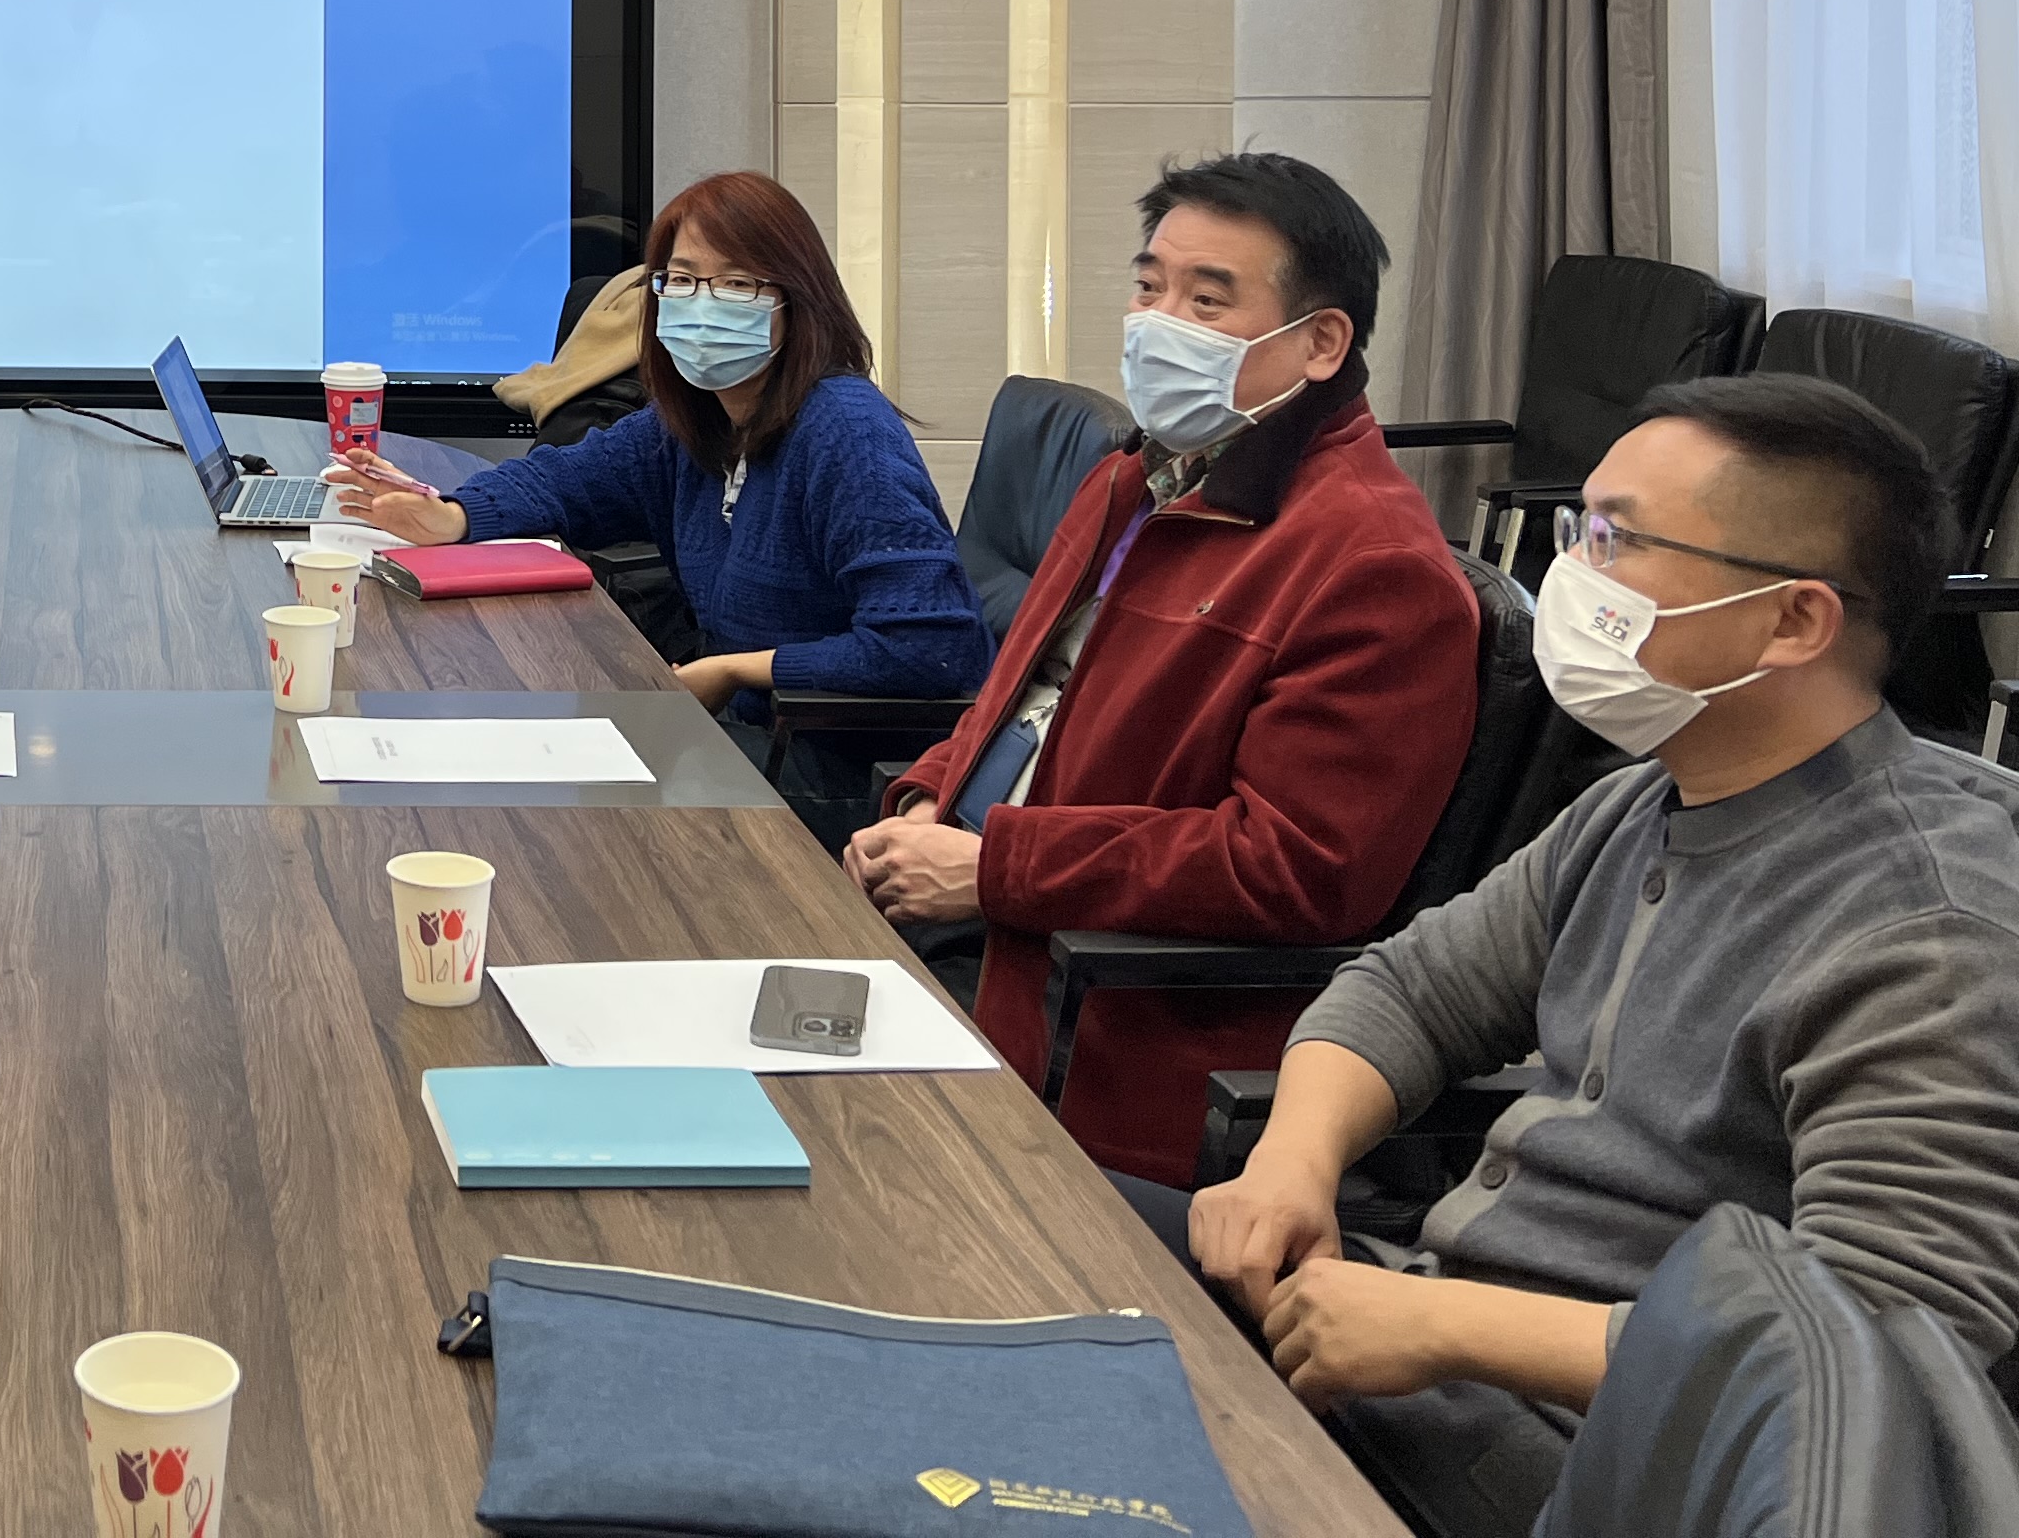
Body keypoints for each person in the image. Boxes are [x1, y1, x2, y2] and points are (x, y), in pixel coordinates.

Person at [1181, 376, 2019, 1538]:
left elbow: (1874, 1355)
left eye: (1618, 541)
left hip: (1596, 1461)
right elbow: (1408, 992)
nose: (1573, 572)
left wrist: (1443, 1329)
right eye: (1582, 529)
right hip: (1431, 1343)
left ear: (1793, 622)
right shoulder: (1646, 800)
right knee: (1048, 1272)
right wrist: (1290, 1165)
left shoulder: (1927, 932)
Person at [844, 152, 1484, 1182]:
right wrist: (929, 797)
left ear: (1322, 343)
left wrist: (995, 870)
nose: (1157, 323)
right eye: (1150, 288)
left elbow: (1295, 870)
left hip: (1109, 1037)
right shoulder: (1135, 479)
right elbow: (1020, 700)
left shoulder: (1374, 568)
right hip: (989, 948)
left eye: (1206, 301)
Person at [332, 171, 988, 783]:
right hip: (739, 737)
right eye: (681, 280)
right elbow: (568, 481)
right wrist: (454, 515)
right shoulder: (698, 419)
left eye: (737, 284)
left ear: (798, 302)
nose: (703, 305)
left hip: (831, 770)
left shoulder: (846, 431)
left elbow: (932, 647)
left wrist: (737, 670)